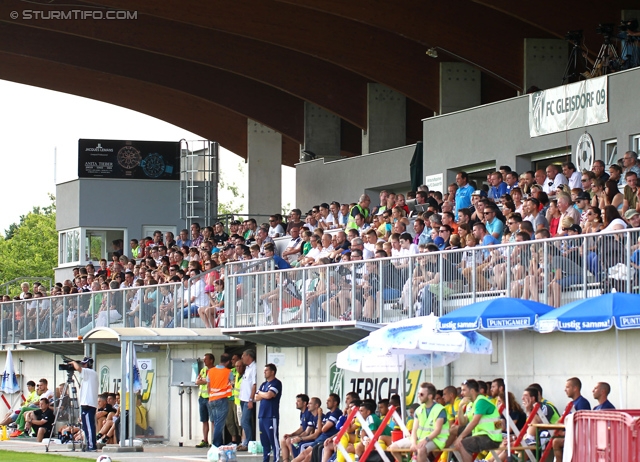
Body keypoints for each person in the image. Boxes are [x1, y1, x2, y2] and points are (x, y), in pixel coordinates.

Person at [389, 382, 448, 462]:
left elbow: (437, 430)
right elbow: (414, 430)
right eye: (418, 393)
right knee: (393, 448)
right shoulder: (419, 410)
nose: (419, 396)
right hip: (419, 438)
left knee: (421, 450)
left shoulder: (440, 409)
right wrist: (413, 443)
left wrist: (425, 440)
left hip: (435, 439)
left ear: (430, 396)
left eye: (422, 394)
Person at [454, 379, 502, 462]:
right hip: (480, 433)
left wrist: (461, 437)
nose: (461, 393)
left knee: (463, 444)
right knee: (453, 429)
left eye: (464, 390)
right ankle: (441, 449)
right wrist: (460, 407)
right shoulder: (471, 403)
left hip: (492, 437)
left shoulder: (481, 401)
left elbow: (474, 422)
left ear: (472, 391)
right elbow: (462, 423)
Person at [552, 377, 591, 460]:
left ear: (575, 388)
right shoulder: (570, 403)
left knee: (556, 442)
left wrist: (565, 433)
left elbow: (582, 425)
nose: (564, 390)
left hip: (577, 437)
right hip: (569, 435)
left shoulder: (583, 403)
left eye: (567, 387)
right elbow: (561, 419)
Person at [255, 363, 283, 462]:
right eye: (264, 370)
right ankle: (265, 459)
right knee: (264, 440)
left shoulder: (276, 383)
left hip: (271, 415)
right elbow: (256, 397)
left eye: (266, 370)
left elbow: (269, 395)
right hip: (262, 415)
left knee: (273, 439)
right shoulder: (263, 384)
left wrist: (261, 393)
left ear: (272, 372)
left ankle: (276, 459)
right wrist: (263, 394)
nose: (264, 372)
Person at [207, 353, 234, 447]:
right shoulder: (228, 371)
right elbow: (233, 383)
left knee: (215, 422)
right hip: (222, 399)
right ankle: (216, 444)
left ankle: (218, 443)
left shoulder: (211, 371)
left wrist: (210, 396)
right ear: (228, 362)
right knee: (219, 423)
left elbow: (208, 385)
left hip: (212, 399)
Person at [73, 356, 99, 451]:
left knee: (89, 426)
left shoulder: (90, 372)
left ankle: (92, 446)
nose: (83, 365)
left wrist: (72, 362)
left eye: (84, 363)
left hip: (88, 404)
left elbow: (78, 368)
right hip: (86, 404)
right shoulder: (89, 374)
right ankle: (90, 445)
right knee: (86, 426)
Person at [281, 394, 314, 462]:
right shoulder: (302, 413)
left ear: (304, 403)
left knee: (289, 441)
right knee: (283, 440)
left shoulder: (309, 412)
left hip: (308, 438)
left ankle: (295, 460)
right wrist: (291, 435)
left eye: (298, 401)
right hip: (304, 435)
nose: (296, 403)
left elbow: (309, 432)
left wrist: (297, 437)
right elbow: (301, 428)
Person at [238, 349, 257, 451]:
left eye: (243, 356)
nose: (242, 358)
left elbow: (254, 384)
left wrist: (251, 399)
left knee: (245, 421)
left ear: (249, 356)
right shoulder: (248, 368)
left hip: (248, 399)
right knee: (244, 422)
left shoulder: (254, 367)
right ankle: (244, 442)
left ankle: (248, 442)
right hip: (243, 398)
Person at [195, 353, 214, 448]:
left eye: (206, 359)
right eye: (204, 359)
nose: (204, 361)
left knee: (213, 420)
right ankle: (205, 440)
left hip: (210, 398)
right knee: (204, 420)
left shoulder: (214, 370)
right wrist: (204, 380)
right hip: (202, 397)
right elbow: (197, 381)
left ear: (211, 360)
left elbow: (209, 381)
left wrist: (204, 380)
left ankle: (214, 440)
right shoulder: (203, 370)